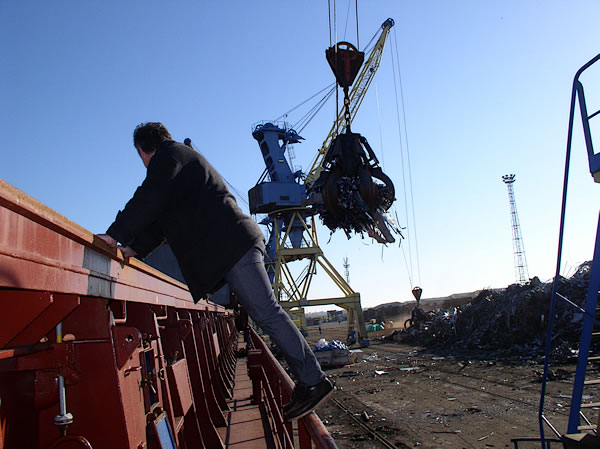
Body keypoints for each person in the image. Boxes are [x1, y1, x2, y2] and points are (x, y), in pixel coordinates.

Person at [96, 122, 333, 420]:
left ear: (144, 151)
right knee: (267, 312)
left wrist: (113, 234)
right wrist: (133, 249)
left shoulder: (170, 156)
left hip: (235, 247)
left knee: (268, 312)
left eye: (141, 158)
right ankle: (309, 380)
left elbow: (150, 195)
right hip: (235, 245)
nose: (144, 164)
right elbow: (159, 221)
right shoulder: (180, 163)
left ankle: (313, 381)